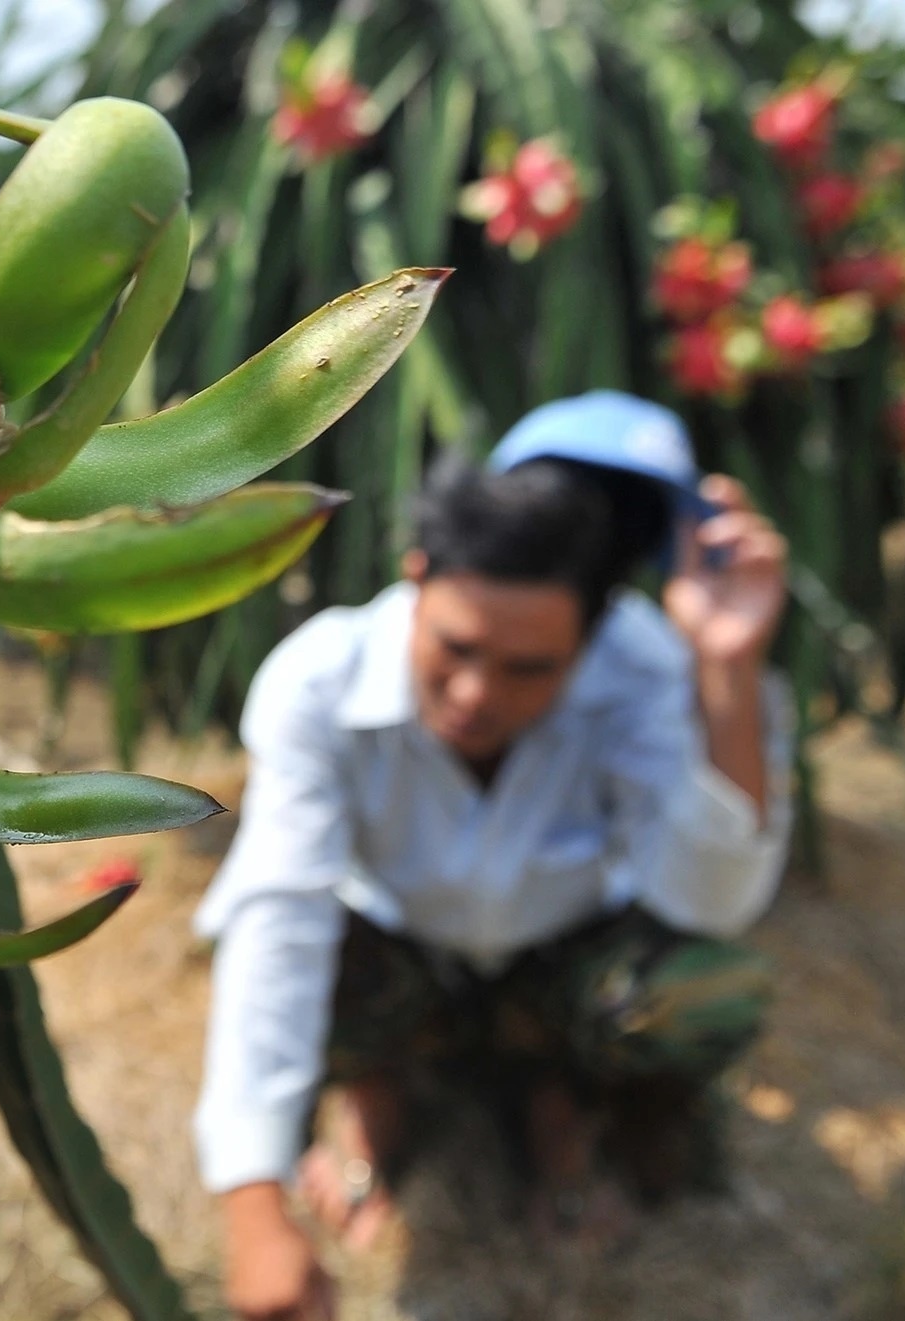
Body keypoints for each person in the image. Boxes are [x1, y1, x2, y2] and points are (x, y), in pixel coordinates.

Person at [193, 392, 793, 1321]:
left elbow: (708, 904)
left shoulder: (641, 668)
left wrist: (727, 674)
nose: (474, 695)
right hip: (396, 954)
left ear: (592, 629)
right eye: (453, 647)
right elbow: (280, 918)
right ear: (416, 573)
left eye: (528, 669)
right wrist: (252, 1205)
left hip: (557, 959)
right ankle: (377, 1090)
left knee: (698, 987)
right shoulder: (318, 677)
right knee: (289, 947)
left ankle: (562, 1097)